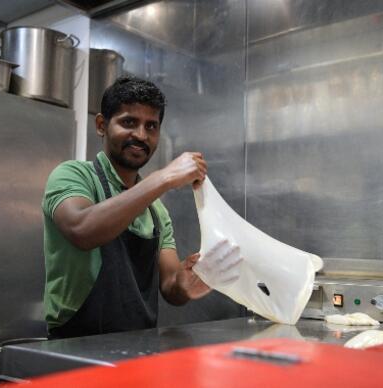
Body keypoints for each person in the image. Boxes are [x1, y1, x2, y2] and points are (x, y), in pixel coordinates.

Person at [42, 76, 242, 339]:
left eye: (151, 126)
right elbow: (82, 229)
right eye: (128, 122)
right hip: (73, 346)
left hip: (138, 348)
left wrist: (189, 280)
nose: (140, 135)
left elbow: (170, 287)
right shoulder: (73, 175)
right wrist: (164, 177)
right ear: (102, 125)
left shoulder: (156, 211)